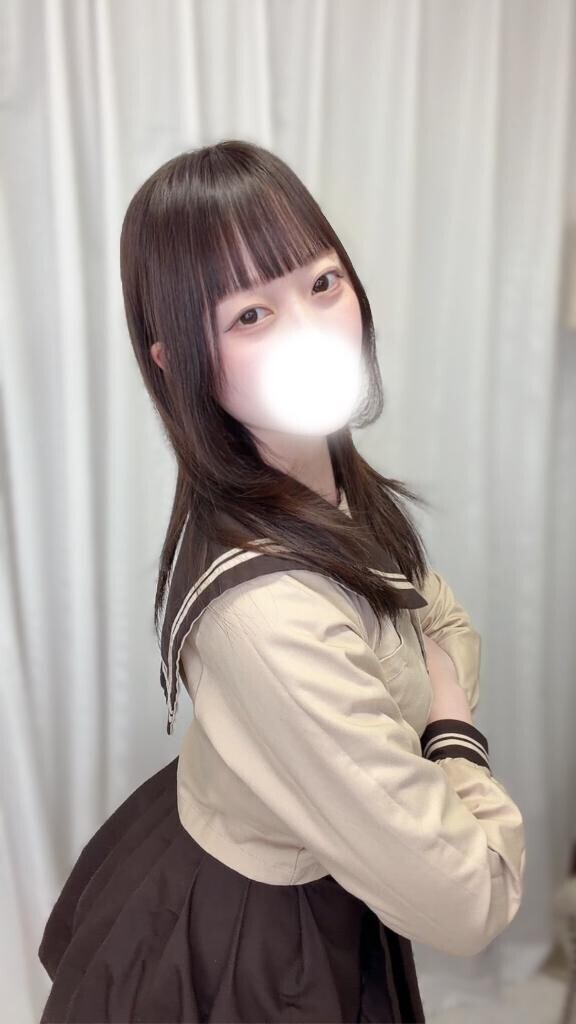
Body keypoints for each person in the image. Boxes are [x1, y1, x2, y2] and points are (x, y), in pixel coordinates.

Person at [38, 139, 525, 1023]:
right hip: (258, 944)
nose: (310, 332)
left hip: (322, 879)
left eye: (323, 282)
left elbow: (439, 619)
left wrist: (409, 701)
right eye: (251, 315)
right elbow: (471, 899)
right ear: (175, 359)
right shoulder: (265, 612)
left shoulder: (318, 468)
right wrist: (449, 722)